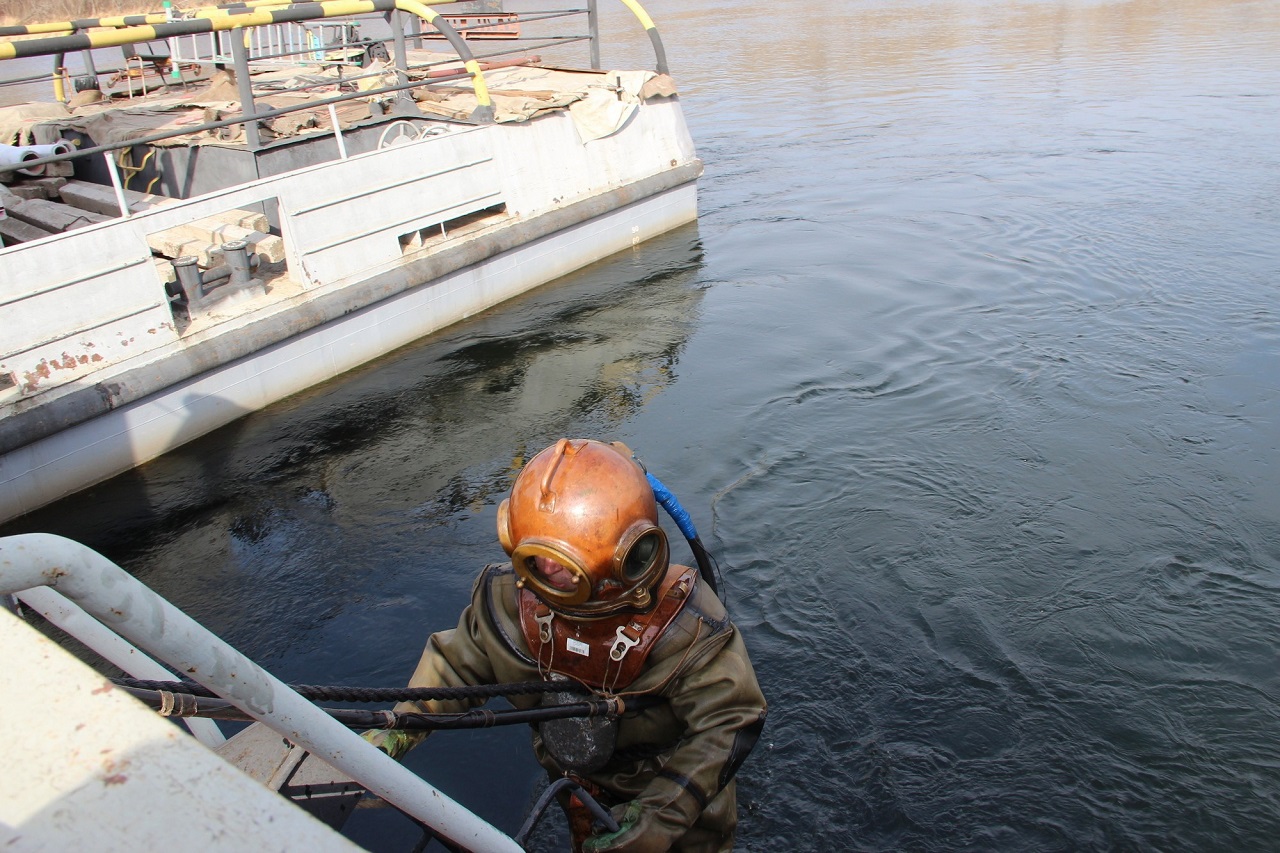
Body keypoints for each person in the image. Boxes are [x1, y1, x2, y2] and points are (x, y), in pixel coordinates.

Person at [374, 438, 767, 852]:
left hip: (679, 800)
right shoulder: (507, 602)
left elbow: (730, 721)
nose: (547, 572)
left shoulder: (686, 627)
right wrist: (399, 727)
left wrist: (657, 819)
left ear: (627, 558)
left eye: (563, 565)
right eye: (537, 558)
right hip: (576, 785)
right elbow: (457, 663)